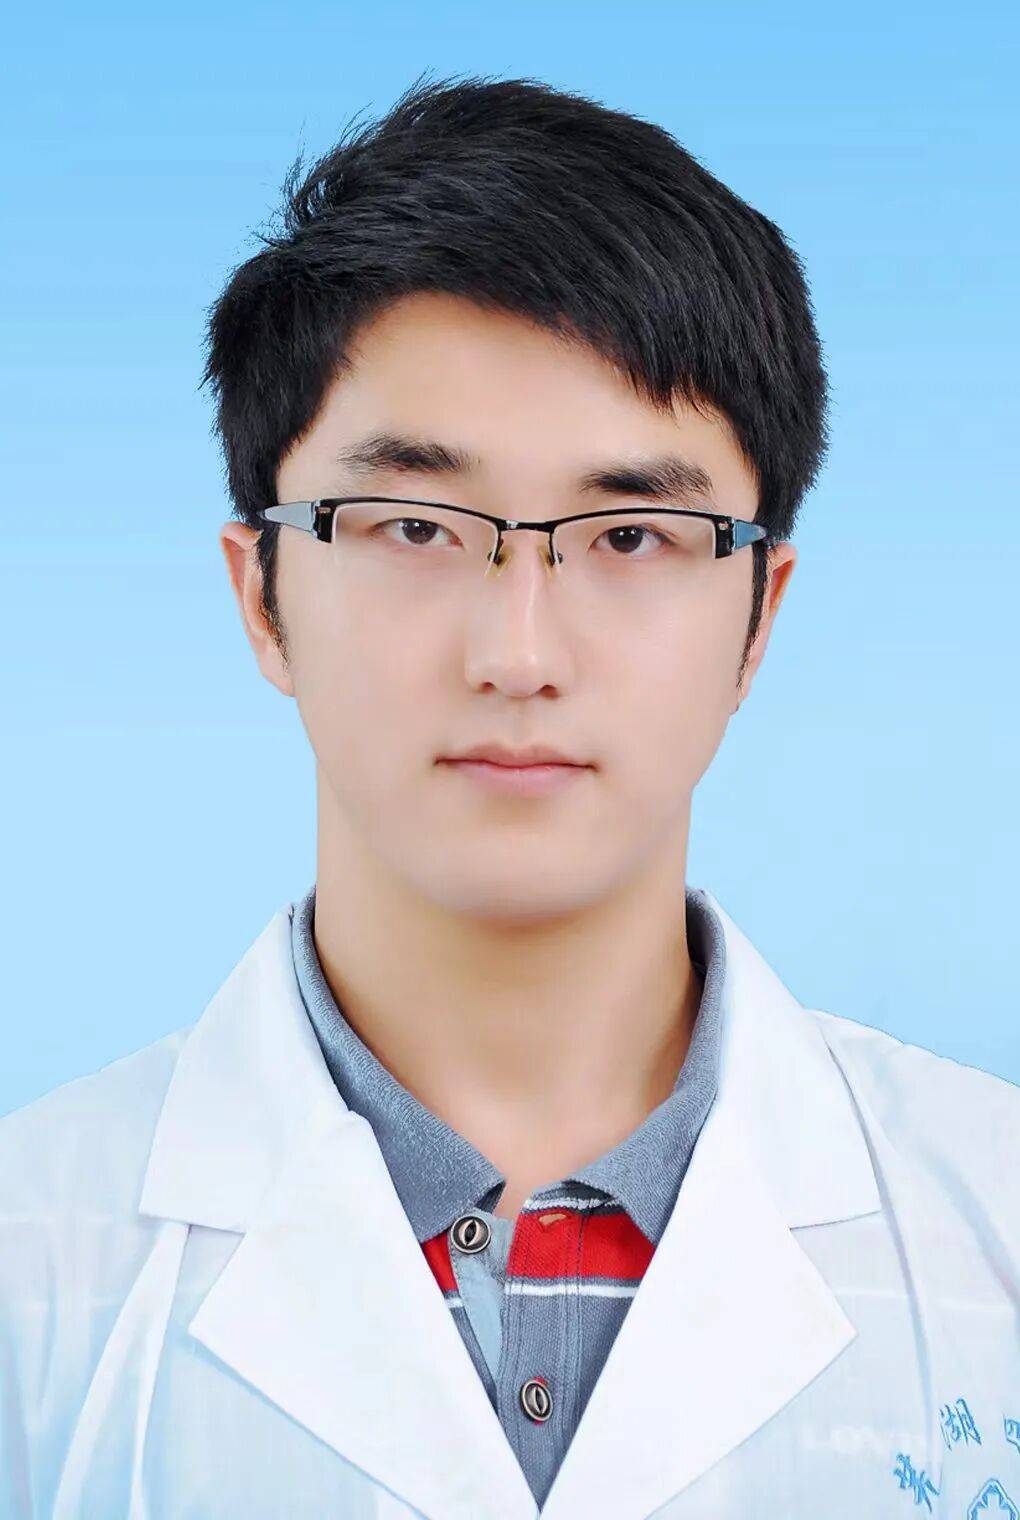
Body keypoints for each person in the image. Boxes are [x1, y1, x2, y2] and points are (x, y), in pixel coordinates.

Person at [1, 71, 1017, 1520]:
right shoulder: (34, 1271)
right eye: (416, 525)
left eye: (632, 534)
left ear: (761, 617)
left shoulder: (994, 1224)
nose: (520, 653)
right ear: (261, 594)